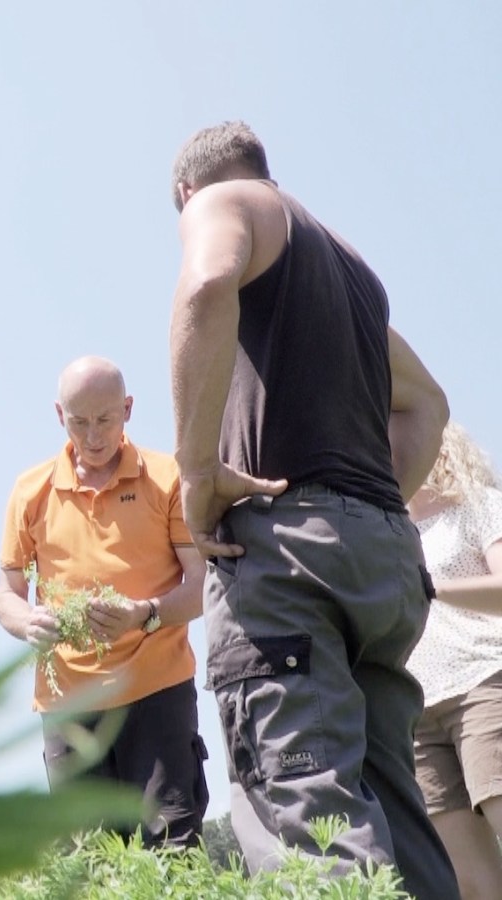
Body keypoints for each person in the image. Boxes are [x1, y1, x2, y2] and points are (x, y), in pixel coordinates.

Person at [167, 120, 456, 898]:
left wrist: (198, 471)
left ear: (190, 192)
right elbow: (427, 403)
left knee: (310, 821)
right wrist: (369, 503)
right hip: (381, 563)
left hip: (286, 561)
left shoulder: (225, 203)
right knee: (396, 814)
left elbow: (203, 286)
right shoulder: (350, 268)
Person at [0, 356, 208, 848]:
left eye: (105, 420)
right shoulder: (31, 492)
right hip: (69, 704)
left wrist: (146, 615)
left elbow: (202, 585)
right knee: (89, 861)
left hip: (157, 690)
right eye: (79, 421)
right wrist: (28, 622)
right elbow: (6, 593)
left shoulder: (166, 477)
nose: (92, 436)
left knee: (172, 848)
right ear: (58, 415)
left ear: (128, 409)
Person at [406, 422, 502, 900]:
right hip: (417, 713)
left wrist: (432, 588)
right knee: (468, 881)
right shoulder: (389, 530)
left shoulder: (480, 507)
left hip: (483, 683)